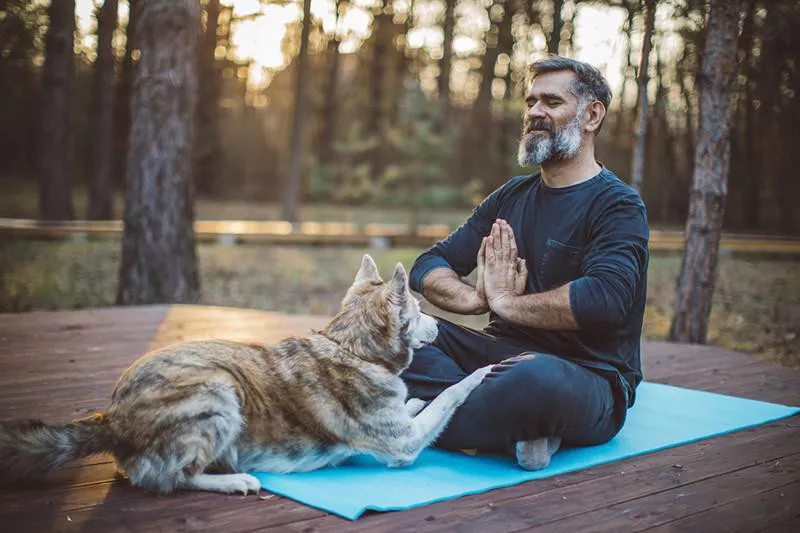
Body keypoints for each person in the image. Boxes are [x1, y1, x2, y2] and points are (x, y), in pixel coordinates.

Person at [401, 56, 649, 470]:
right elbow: (428, 265)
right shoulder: (511, 196)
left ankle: (413, 416)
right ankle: (505, 433)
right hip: (496, 358)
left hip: (585, 376)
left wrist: (507, 304)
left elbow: (605, 299)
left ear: (592, 115)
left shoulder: (619, 205)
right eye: (530, 102)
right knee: (394, 335)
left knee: (535, 380)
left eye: (551, 102)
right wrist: (474, 299)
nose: (535, 112)